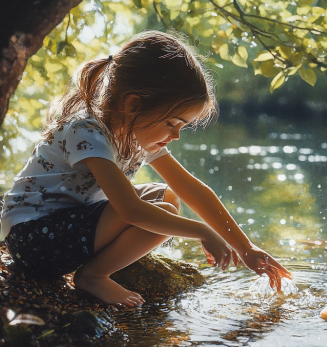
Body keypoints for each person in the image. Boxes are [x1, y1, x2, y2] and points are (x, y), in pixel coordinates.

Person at [0, 30, 291, 307]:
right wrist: (202, 232)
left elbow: (192, 190)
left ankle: (100, 267)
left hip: (66, 227)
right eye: (171, 123)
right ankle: (93, 276)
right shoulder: (86, 130)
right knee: (156, 212)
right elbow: (130, 210)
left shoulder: (134, 132)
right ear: (133, 104)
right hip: (33, 239)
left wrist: (245, 247)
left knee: (167, 197)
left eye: (182, 127)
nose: (175, 136)